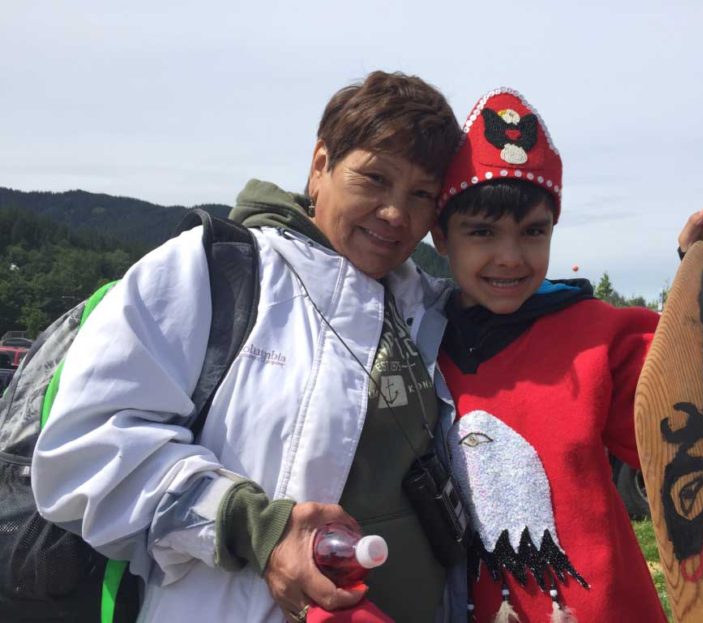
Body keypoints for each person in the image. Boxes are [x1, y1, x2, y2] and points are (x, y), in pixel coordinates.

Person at [31, 71, 463, 623]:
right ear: (320, 164)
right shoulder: (213, 271)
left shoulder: (424, 310)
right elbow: (84, 452)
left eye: (421, 195)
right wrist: (256, 529)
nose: (396, 214)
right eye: (374, 178)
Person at [430, 88, 703, 622]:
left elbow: (701, 425)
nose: (510, 257)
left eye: (534, 231)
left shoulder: (600, 338)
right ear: (440, 237)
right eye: (482, 232)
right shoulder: (417, 344)